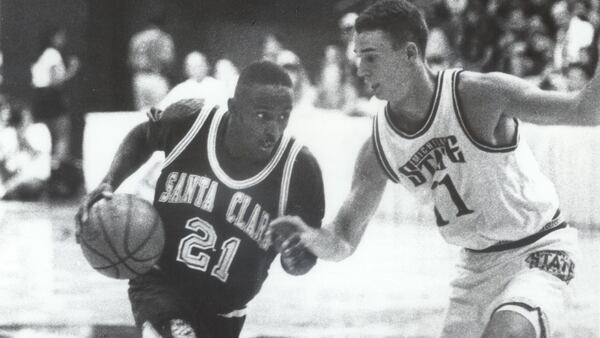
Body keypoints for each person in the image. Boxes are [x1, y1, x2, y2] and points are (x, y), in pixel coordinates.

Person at [270, 0, 600, 337]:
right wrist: (312, 240)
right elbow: (343, 238)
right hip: (475, 267)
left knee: (506, 333)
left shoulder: (477, 96)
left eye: (370, 56)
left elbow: (586, 109)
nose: (360, 69)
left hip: (539, 248)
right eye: (357, 57)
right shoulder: (379, 146)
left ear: (410, 54)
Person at [76, 61, 325, 338]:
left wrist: (295, 260)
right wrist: (110, 180)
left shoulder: (300, 169)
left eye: (283, 117)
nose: (274, 129)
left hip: (225, 313)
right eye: (263, 116)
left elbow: (305, 260)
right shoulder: (190, 122)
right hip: (160, 284)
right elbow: (144, 136)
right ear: (233, 108)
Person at [30, 25, 80, 197]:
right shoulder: (53, 54)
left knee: (49, 142)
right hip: (52, 99)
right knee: (61, 140)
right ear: (53, 37)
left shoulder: (40, 55)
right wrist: (72, 69)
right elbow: (57, 81)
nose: (63, 40)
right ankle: (59, 182)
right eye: (60, 36)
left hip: (40, 99)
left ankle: (51, 181)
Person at [0, 95, 52, 201]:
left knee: (22, 188)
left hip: (35, 179)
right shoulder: (8, 133)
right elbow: (8, 164)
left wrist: (21, 135)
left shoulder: (39, 129)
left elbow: (35, 153)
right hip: (13, 180)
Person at [129, 16, 175, 110]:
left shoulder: (137, 38)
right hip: (156, 77)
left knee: (142, 113)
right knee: (159, 112)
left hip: (140, 78)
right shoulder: (164, 38)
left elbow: (131, 62)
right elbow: (168, 60)